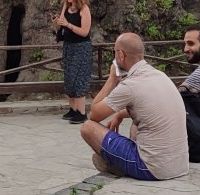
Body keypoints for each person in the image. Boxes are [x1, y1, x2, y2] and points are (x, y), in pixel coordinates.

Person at [79, 33, 188, 181]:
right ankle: (124, 161)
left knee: (88, 127)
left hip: (152, 168)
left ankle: (118, 165)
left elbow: (94, 114)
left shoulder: (130, 84)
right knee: (136, 124)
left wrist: (112, 80)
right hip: (179, 165)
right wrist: (119, 115)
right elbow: (148, 106)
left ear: (121, 55)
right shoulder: (160, 75)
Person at [53, 0, 93, 123]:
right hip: (69, 46)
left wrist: (68, 25)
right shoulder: (66, 7)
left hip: (81, 47)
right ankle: (73, 109)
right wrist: (57, 23)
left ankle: (82, 113)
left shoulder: (84, 9)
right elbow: (61, 27)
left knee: (79, 78)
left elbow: (84, 32)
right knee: (69, 78)